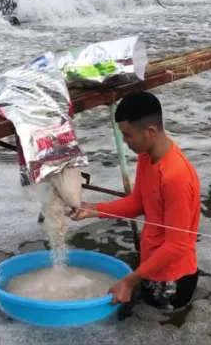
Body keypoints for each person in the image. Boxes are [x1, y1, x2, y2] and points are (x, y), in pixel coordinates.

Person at [71, 91, 201, 310]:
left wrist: (129, 281)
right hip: (150, 264)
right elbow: (138, 203)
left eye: (128, 135)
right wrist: (94, 210)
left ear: (149, 132)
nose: (124, 141)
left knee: (163, 327)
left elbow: (177, 246)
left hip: (173, 278)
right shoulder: (146, 155)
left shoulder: (176, 177)